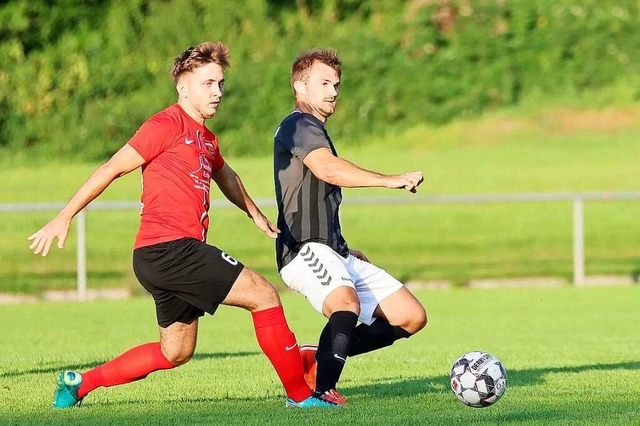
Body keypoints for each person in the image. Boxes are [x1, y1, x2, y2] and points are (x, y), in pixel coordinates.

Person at [28, 41, 337, 409]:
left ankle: (78, 384)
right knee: (264, 296)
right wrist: (65, 216)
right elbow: (112, 168)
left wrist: (253, 212)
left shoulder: (206, 138)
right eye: (207, 83)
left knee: (175, 351)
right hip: (170, 248)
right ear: (182, 87)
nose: (217, 92)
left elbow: (226, 175)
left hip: (158, 258)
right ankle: (301, 397)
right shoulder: (165, 124)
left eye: (220, 83)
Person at [273, 48, 428, 405]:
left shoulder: (316, 130)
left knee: (409, 316)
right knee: (346, 303)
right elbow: (327, 169)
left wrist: (344, 248)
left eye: (336, 84)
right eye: (323, 82)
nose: (333, 91)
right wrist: (390, 180)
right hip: (302, 249)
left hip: (333, 248)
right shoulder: (298, 124)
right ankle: (315, 394)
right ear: (300, 86)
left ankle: (316, 355)